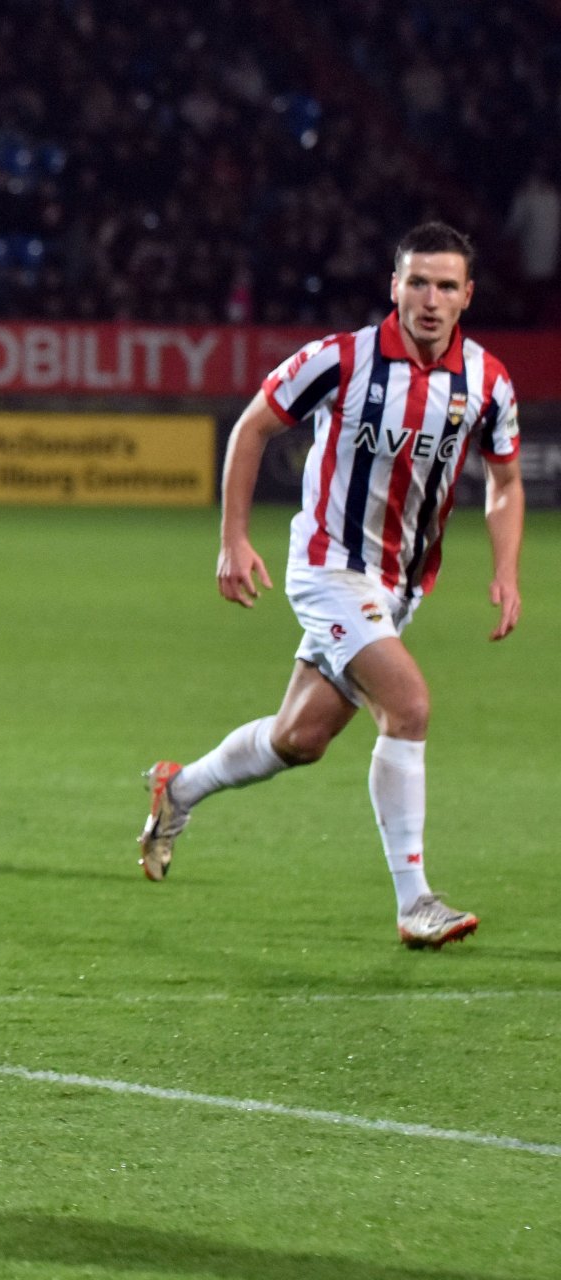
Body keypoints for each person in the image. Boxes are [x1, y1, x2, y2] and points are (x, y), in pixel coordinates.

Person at [138, 221, 523, 949]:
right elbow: (252, 427)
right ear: (395, 287)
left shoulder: (487, 382)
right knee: (408, 707)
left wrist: (506, 569)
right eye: (418, 282)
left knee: (300, 738)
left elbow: (504, 482)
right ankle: (415, 902)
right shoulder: (341, 360)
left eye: (446, 286)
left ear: (468, 295)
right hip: (327, 567)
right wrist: (232, 539)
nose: (431, 300)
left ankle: (178, 787)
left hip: (400, 588)